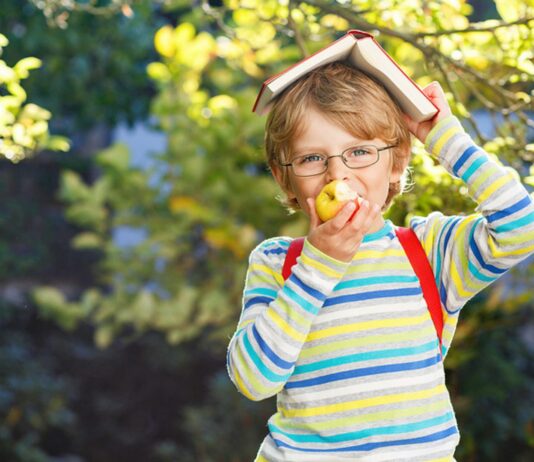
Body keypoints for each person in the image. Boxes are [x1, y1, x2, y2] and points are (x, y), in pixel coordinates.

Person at [226, 62, 534, 461]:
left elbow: (521, 227)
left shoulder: (428, 251)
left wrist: (446, 140)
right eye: (311, 159)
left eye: (359, 151)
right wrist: (319, 265)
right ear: (285, 178)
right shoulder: (277, 263)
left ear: (397, 163)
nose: (337, 174)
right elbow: (252, 380)